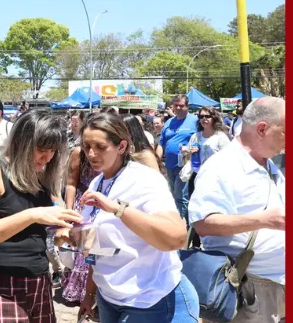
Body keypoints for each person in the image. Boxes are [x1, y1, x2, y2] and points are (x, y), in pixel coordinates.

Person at [75, 113, 198, 322]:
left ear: (121, 146)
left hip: (151, 299)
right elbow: (98, 248)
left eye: (100, 147)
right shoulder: (97, 183)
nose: (91, 154)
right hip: (109, 297)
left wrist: (119, 209)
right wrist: (71, 235)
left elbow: (176, 237)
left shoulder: (144, 179)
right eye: (86, 147)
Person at [0, 111, 83, 322]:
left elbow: (41, 235)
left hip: (39, 281)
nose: (47, 158)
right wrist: (31, 215)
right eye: (41, 150)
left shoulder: (43, 176)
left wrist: (64, 234)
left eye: (53, 151)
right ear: (22, 143)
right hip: (0, 283)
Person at [189, 97, 285, 323]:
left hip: (276, 284)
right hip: (249, 289)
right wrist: (264, 220)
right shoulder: (221, 166)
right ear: (262, 129)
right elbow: (203, 223)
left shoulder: (268, 164)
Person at [61, 143, 100, 304]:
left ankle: (95, 295)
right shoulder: (79, 152)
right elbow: (71, 183)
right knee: (82, 252)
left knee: (97, 252)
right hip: (83, 205)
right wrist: (69, 212)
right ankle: (83, 294)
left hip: (104, 205)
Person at [158, 94, 198, 223]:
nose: (179, 108)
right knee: (173, 195)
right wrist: (157, 161)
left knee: (181, 196)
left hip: (185, 166)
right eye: (176, 105)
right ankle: (178, 220)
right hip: (169, 165)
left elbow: (201, 139)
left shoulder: (195, 121)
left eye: (182, 105)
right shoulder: (169, 122)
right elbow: (161, 143)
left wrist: (191, 149)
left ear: (187, 106)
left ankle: (181, 223)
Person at [181, 106, 230, 197]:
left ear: (214, 118)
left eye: (207, 116)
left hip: (214, 177)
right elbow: (187, 157)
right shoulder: (195, 136)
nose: (204, 119)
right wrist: (189, 152)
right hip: (196, 175)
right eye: (201, 116)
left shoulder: (220, 137)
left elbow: (228, 159)